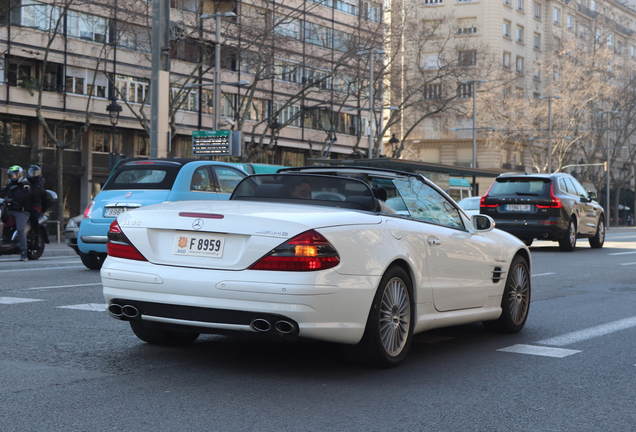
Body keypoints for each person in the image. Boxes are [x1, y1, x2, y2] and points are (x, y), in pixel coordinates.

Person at [0, 166, 32, 261]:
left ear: (20, 175)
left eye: (15, 175)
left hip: (22, 211)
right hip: (10, 210)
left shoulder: (25, 184)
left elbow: (23, 195)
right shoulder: (9, 184)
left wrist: (12, 200)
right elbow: (2, 192)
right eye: (11, 175)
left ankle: (23, 252)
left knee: (20, 229)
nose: (13, 177)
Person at [27, 165, 46, 234]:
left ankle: (37, 236)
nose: (33, 174)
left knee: (34, 218)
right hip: (25, 203)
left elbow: (34, 193)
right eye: (32, 173)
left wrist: (28, 194)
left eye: (35, 173)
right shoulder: (26, 182)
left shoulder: (40, 183)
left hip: (36, 203)